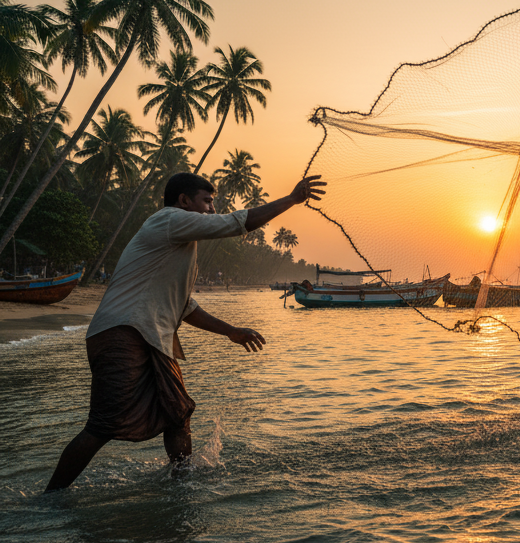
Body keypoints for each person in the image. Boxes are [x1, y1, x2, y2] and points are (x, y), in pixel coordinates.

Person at [45, 171, 326, 491]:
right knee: (102, 426)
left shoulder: (178, 242)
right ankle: (50, 498)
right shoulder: (168, 219)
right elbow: (236, 223)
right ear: (183, 201)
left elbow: (185, 306)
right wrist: (291, 199)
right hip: (123, 332)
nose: (210, 209)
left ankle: (181, 486)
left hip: (149, 337)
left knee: (178, 413)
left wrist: (231, 331)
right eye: (206, 201)